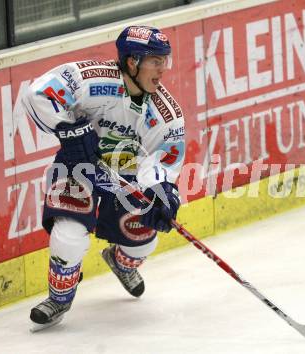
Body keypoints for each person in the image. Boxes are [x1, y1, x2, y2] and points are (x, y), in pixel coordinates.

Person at [22, 25, 185, 328]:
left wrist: (162, 189)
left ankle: (122, 262)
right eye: (156, 61)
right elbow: (38, 94)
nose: (163, 70)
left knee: (142, 239)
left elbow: (165, 154)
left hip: (128, 175)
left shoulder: (164, 112)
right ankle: (59, 299)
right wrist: (68, 130)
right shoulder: (90, 78)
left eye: (166, 60)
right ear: (132, 61)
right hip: (79, 164)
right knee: (68, 236)